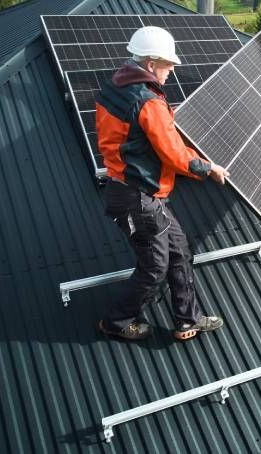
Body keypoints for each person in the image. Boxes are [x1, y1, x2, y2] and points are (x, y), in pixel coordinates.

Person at [95, 25, 229, 342]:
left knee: (179, 252)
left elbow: (139, 130)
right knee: (155, 267)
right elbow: (172, 154)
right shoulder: (147, 102)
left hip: (144, 196)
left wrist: (165, 117)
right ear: (151, 63)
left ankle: (187, 320)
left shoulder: (116, 86)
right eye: (169, 65)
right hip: (136, 198)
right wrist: (208, 168)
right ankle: (116, 322)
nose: (171, 71)